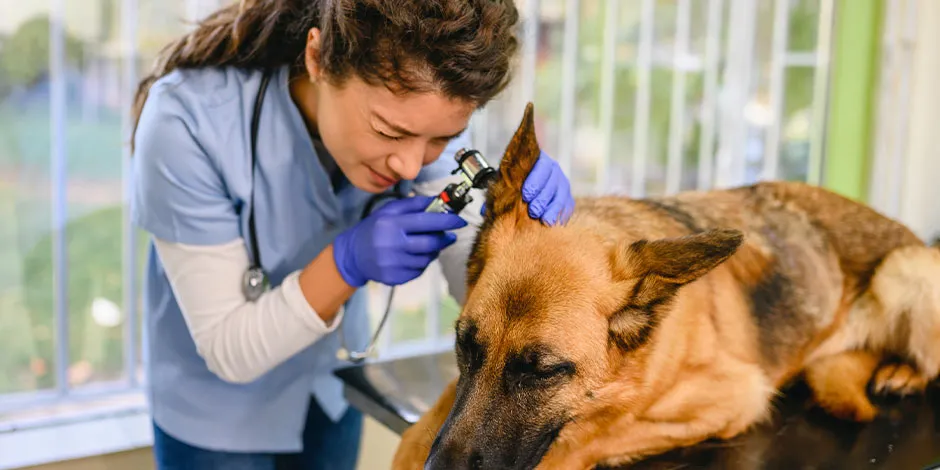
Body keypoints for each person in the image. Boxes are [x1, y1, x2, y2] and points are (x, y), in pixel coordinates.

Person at [130, 0, 575, 469]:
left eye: (443, 139)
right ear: (318, 59)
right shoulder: (186, 123)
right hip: (215, 417)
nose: (409, 163)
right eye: (388, 131)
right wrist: (346, 263)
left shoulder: (422, 114)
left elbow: (478, 289)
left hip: (330, 392)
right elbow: (230, 350)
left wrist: (527, 235)